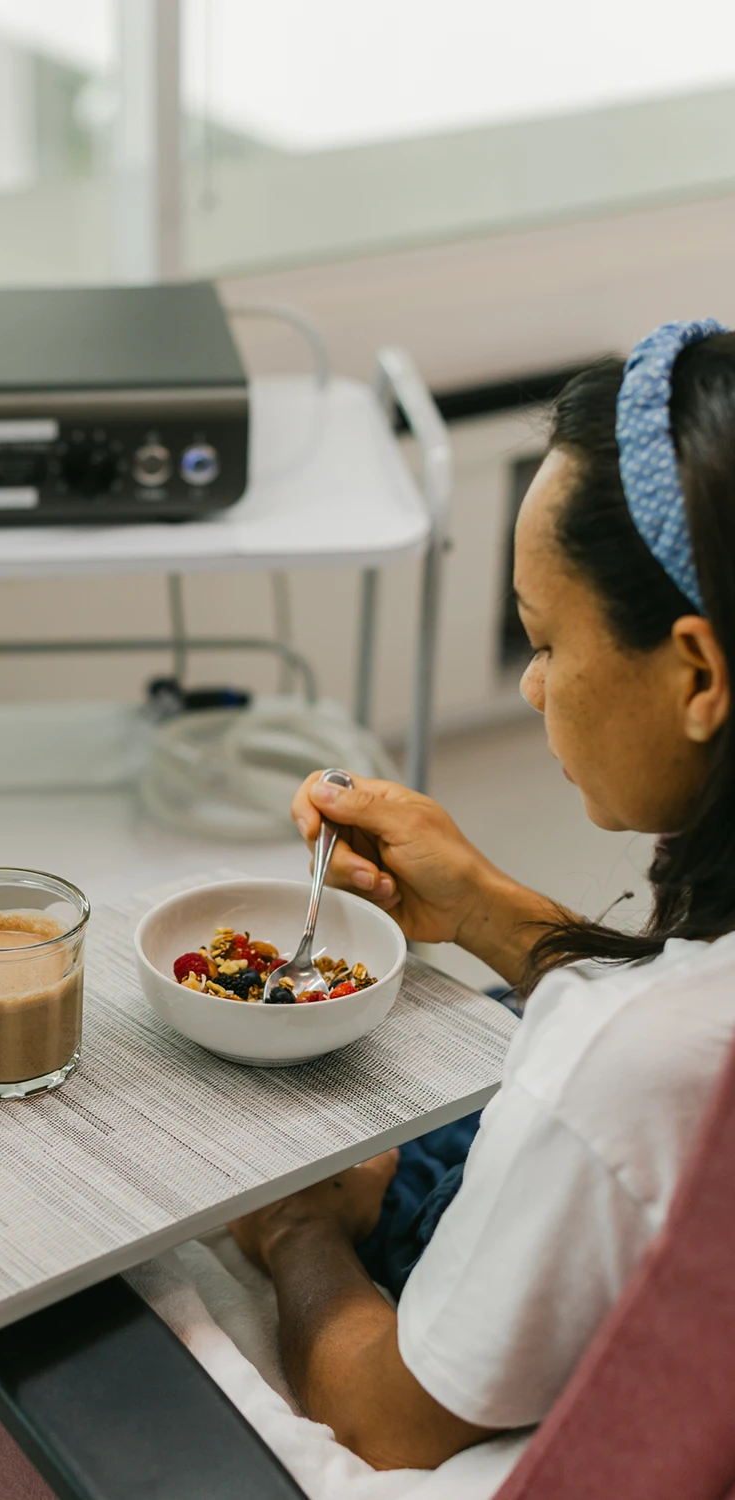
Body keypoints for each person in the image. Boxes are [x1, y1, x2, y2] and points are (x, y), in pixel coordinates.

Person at [229, 320, 735, 1472]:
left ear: (698, 675)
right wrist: (482, 909)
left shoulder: (618, 1064)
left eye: (548, 639)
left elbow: (392, 1418)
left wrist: (301, 1228)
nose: (531, 680)